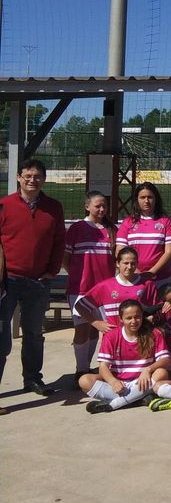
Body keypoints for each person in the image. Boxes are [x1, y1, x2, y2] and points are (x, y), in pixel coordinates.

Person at [0, 159, 66, 396]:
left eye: (37, 176)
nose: (32, 180)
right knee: (1, 337)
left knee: (34, 334)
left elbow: (59, 241)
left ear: (44, 179)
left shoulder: (53, 207)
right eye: (27, 176)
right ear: (18, 177)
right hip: (8, 281)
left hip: (38, 281)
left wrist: (52, 270)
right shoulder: (4, 205)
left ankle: (33, 379)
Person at [79, 300, 170, 413]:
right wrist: (113, 382)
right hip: (119, 383)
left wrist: (148, 369)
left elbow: (165, 360)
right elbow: (103, 367)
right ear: (121, 319)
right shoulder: (111, 336)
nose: (134, 321)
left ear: (142, 317)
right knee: (84, 380)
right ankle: (137, 399)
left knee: (162, 372)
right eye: (129, 318)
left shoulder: (154, 333)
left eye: (137, 317)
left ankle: (115, 404)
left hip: (142, 382)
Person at [64, 191, 115, 375]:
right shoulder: (76, 228)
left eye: (104, 206)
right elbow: (66, 258)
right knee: (82, 328)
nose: (102, 209)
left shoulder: (111, 230)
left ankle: (89, 367)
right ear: (87, 207)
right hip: (80, 288)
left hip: (105, 290)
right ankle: (81, 370)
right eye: (97, 206)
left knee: (98, 329)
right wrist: (77, 275)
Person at [74, 246, 160, 334]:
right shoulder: (106, 286)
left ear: (137, 263)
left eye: (133, 263)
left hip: (139, 336)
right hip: (113, 337)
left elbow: (157, 309)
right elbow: (80, 306)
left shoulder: (147, 284)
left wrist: (151, 318)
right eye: (125, 263)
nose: (129, 267)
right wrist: (96, 323)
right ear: (118, 263)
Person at [115, 182, 171, 285]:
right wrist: (135, 271)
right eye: (142, 197)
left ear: (156, 199)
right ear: (136, 200)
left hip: (161, 279)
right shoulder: (128, 222)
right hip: (133, 277)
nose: (146, 201)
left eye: (150, 197)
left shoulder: (166, 221)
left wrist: (151, 272)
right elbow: (120, 251)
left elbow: (170, 252)